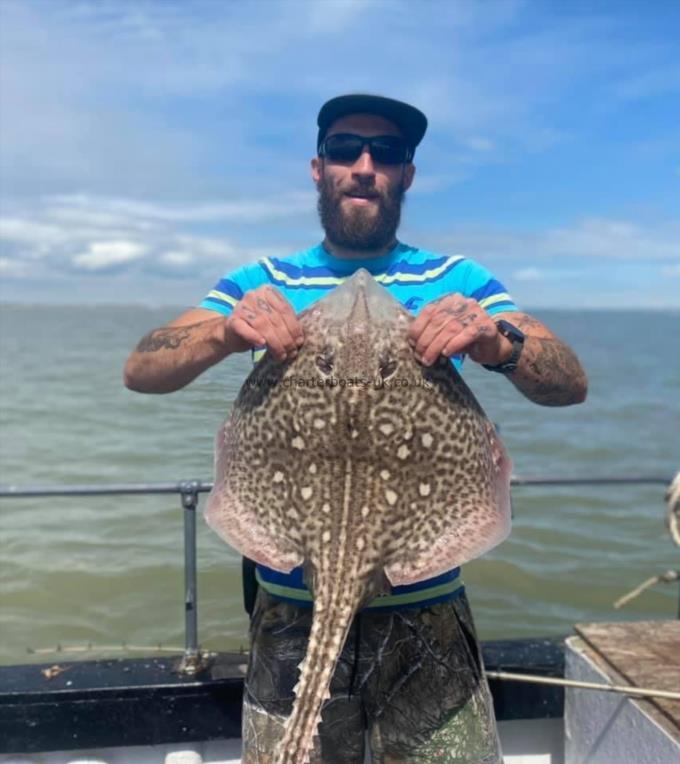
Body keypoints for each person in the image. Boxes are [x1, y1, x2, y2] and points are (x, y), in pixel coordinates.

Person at [124, 94, 587, 763]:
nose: (365, 166)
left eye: (386, 153)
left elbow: (569, 382)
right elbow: (143, 368)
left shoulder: (458, 281)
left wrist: (497, 341)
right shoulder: (263, 281)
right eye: (346, 150)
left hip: (427, 617)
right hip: (289, 616)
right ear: (319, 168)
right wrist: (227, 331)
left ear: (407, 174)